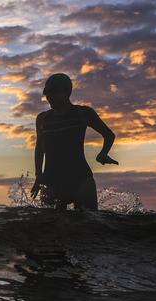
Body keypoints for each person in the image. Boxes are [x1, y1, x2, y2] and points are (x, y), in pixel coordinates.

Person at [31, 73, 118, 210]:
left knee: (88, 226)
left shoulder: (83, 113)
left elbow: (109, 135)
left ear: (66, 92)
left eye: (53, 92)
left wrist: (103, 153)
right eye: (47, 93)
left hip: (81, 179)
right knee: (49, 229)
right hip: (51, 181)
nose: (49, 97)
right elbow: (40, 148)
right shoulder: (42, 119)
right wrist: (38, 175)